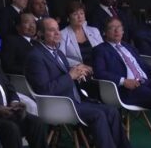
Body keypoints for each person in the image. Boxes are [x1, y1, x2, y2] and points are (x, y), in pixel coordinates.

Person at [25, 18, 131, 148]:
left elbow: (63, 76)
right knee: (98, 114)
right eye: (52, 30)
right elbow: (44, 89)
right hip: (59, 106)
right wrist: (70, 76)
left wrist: (78, 73)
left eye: (58, 29)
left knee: (112, 111)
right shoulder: (35, 56)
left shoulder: (57, 52)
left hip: (75, 100)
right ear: (40, 34)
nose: (58, 33)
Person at [93, 18, 151, 148]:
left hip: (146, 81)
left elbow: (144, 66)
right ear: (105, 32)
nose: (116, 30)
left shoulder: (128, 47)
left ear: (123, 30)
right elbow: (99, 73)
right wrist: (123, 81)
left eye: (119, 27)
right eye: (112, 28)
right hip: (128, 88)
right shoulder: (100, 50)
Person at [59, 2, 102, 68]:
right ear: (68, 18)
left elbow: (103, 51)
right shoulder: (63, 34)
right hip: (79, 71)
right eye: (75, 14)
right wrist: (81, 66)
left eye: (82, 13)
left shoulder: (94, 31)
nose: (79, 17)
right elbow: (61, 57)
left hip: (98, 67)